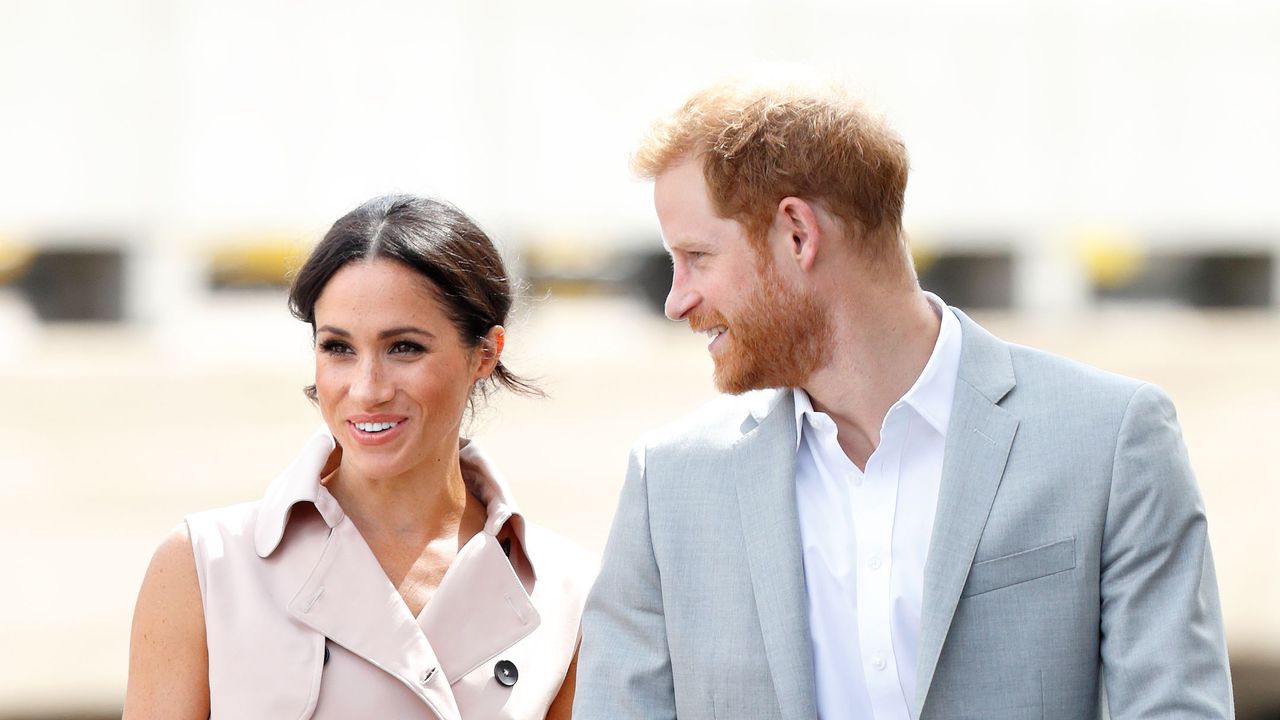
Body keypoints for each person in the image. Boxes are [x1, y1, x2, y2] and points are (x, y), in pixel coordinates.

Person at [574, 78, 1234, 719]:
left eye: (696, 256)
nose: (676, 299)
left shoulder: (1110, 440)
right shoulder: (669, 484)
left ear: (797, 234)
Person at [125, 195, 594, 719]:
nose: (367, 389)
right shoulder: (203, 566)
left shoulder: (567, 590)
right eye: (338, 348)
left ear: (485, 353)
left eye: (404, 348)